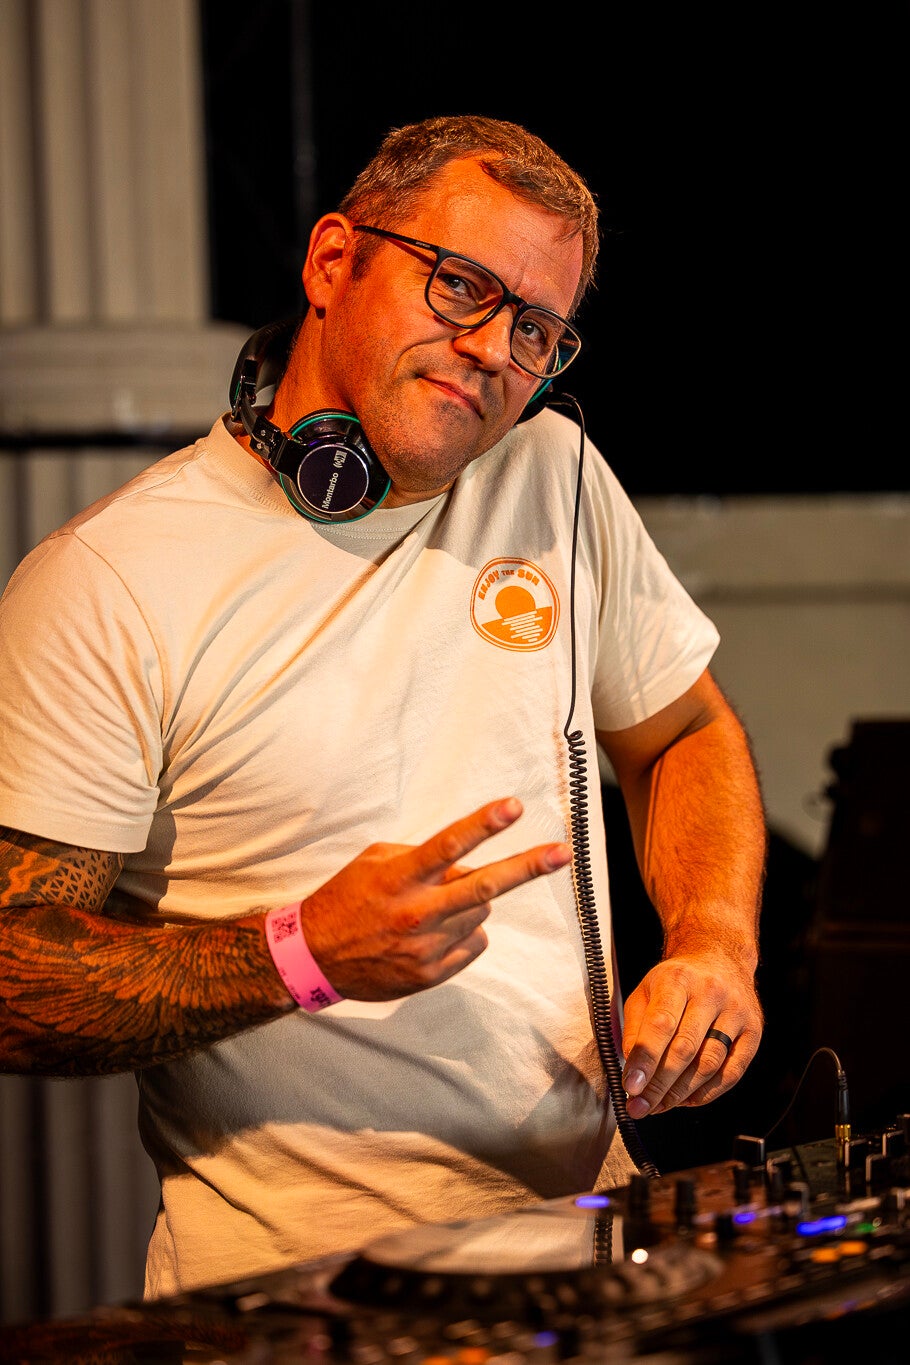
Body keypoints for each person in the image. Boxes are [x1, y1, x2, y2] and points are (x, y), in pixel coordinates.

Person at [0, 114, 766, 1299]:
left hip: (589, 1249)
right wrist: (300, 955)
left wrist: (714, 941)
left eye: (535, 327)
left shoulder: (553, 474)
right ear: (331, 261)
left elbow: (684, 732)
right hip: (300, 1293)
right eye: (458, 284)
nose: (493, 348)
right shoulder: (109, 580)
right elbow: (10, 972)